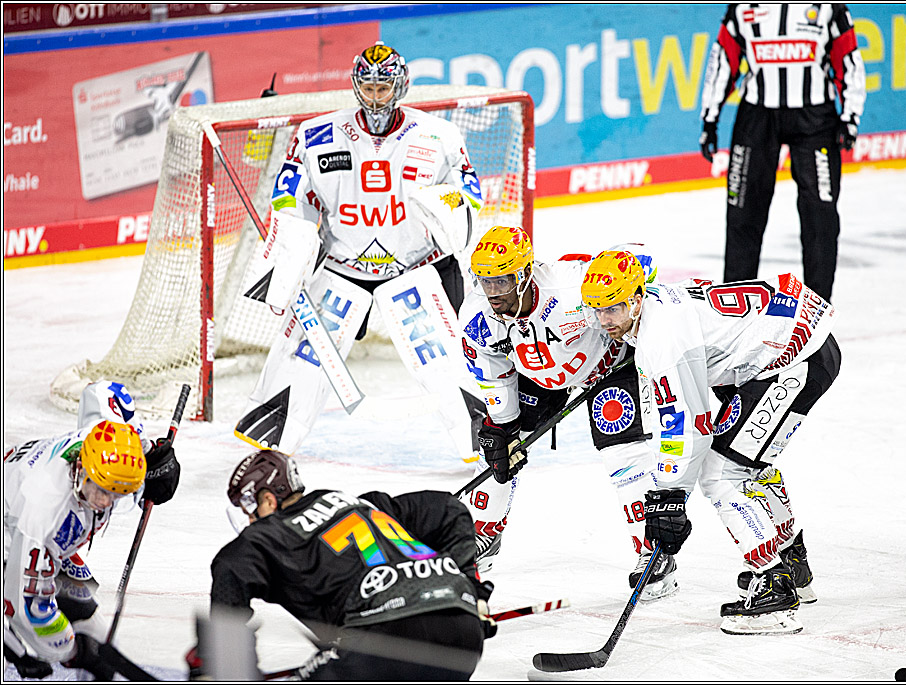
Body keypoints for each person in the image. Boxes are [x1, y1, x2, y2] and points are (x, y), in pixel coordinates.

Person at [236, 40, 485, 455]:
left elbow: (469, 191)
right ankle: (273, 436)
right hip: (341, 267)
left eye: (382, 88)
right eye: (367, 87)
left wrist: (456, 212)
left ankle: (482, 434)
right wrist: (292, 239)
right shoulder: (316, 135)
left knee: (443, 358)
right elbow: (286, 193)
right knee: (305, 357)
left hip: (415, 267)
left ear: (401, 86)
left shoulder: (439, 135)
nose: (374, 97)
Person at [580, 249, 841, 635]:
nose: (604, 320)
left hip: (795, 359)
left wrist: (669, 495)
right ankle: (791, 560)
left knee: (722, 473)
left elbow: (688, 424)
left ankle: (774, 588)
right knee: (747, 462)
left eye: (614, 308)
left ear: (636, 299)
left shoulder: (663, 338)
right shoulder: (656, 309)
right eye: (597, 310)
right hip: (793, 347)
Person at [458, 226, 677, 601]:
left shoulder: (570, 288)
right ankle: (483, 538)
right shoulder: (477, 315)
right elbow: (493, 369)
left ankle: (653, 556)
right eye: (485, 281)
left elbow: (640, 257)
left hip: (610, 367)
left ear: (526, 273)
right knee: (499, 451)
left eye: (503, 281)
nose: (493, 292)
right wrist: (502, 423)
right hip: (541, 377)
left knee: (620, 448)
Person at [193, 449, 493, 681]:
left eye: (249, 509)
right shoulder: (362, 504)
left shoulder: (270, 534)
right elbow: (450, 510)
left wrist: (223, 664)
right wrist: (472, 592)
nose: (249, 520)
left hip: (386, 638)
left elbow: (230, 566)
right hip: (464, 634)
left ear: (269, 500)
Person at [3, 392, 179, 680]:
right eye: (102, 489)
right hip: (13, 541)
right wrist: (71, 652)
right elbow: (27, 607)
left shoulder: (102, 438)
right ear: (82, 467)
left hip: (35, 525)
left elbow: (103, 391)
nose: (106, 502)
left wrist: (149, 454)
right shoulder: (44, 512)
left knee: (98, 634)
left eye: (118, 493)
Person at [698, 4, 866, 301]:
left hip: (815, 117)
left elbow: (849, 57)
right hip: (757, 116)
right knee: (743, 212)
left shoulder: (829, 7)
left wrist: (850, 116)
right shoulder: (742, 8)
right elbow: (723, 59)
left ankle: (817, 315)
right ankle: (733, 314)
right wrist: (710, 118)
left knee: (820, 216)